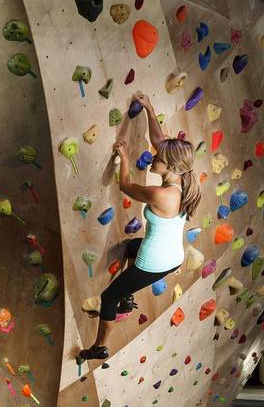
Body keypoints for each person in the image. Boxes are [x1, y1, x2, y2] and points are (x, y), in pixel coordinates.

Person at [77, 91, 202, 364]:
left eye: (158, 157)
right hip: (171, 256)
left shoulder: (162, 195)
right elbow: (160, 141)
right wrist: (148, 106)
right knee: (131, 245)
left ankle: (100, 346)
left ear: (168, 166)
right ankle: (128, 296)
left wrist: (122, 156)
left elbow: (125, 186)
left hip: (154, 263)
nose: (153, 155)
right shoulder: (180, 179)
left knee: (108, 296)